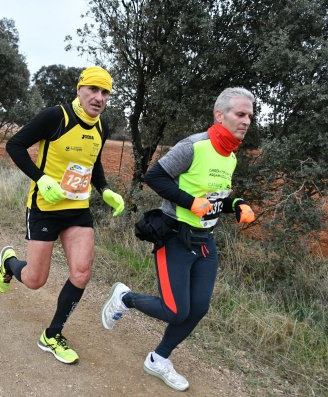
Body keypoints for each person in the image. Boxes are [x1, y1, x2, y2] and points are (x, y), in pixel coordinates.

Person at [101, 87, 257, 391]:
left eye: (250, 115)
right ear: (220, 115)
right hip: (175, 237)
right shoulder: (194, 146)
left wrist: (236, 205)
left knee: (198, 308)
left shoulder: (230, 157)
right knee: (176, 310)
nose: (247, 120)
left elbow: (215, 199)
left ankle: (158, 359)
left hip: (205, 241)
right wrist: (188, 202)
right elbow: (154, 177)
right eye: (240, 114)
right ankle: (125, 298)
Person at [0, 66, 125, 364]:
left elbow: (93, 163)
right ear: (79, 89)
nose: (99, 97)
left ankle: (52, 335)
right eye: (93, 89)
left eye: (105, 92)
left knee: (82, 272)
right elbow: (14, 145)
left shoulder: (101, 127)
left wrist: (104, 189)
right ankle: (9, 262)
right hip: (45, 209)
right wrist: (40, 178)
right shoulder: (56, 117)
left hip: (78, 211)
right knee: (35, 279)